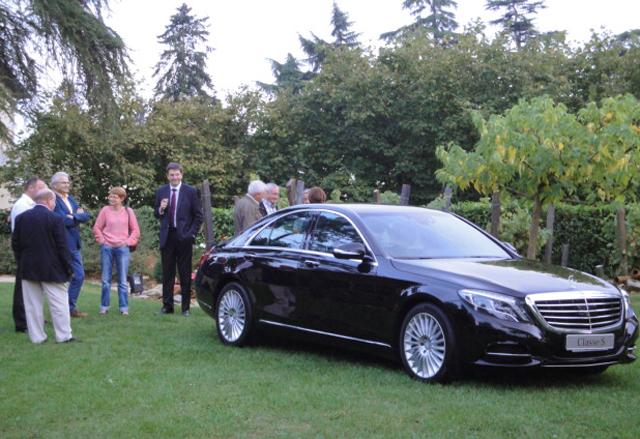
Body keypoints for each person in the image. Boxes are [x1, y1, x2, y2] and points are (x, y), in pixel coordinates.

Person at [11, 188, 75, 344]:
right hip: (52, 269)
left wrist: (22, 262)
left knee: (32, 305)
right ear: (48, 201)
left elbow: (16, 244)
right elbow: (62, 247)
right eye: (54, 201)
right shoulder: (55, 219)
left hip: (28, 267)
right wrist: (69, 267)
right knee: (59, 304)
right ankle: (64, 336)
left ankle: (37, 337)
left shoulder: (21, 218)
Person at [154, 162, 203, 316]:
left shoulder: (191, 191)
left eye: (177, 174)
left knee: (184, 273)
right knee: (167, 273)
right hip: (167, 236)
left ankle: (185, 308)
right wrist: (161, 208)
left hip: (184, 237)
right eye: (171, 174)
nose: (174, 177)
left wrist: (191, 234)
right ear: (167, 176)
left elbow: (198, 216)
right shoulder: (161, 191)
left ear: (181, 174)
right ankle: (167, 306)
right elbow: (156, 214)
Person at [93, 187, 141, 316]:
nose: (112, 198)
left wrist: (127, 242)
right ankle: (104, 307)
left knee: (122, 280)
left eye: (115, 196)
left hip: (122, 248)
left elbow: (136, 231)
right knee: (105, 280)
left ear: (122, 198)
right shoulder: (105, 211)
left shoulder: (128, 211)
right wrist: (102, 241)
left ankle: (124, 308)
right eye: (111, 196)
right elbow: (97, 227)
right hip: (107, 247)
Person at [9, 177, 47, 333]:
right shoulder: (22, 206)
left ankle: (34, 317)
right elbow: (23, 232)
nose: (44, 192)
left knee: (34, 286)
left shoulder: (30, 205)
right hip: (27, 250)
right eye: (41, 188)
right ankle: (22, 322)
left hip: (32, 250)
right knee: (23, 287)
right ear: (31, 188)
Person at [51, 171, 91, 318]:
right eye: (64, 182)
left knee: (78, 276)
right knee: (63, 278)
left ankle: (68, 307)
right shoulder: (52, 199)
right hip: (62, 243)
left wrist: (75, 216)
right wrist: (77, 216)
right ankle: (66, 308)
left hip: (74, 243)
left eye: (68, 182)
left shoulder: (70, 198)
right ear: (55, 185)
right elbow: (62, 220)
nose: (67, 185)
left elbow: (86, 216)